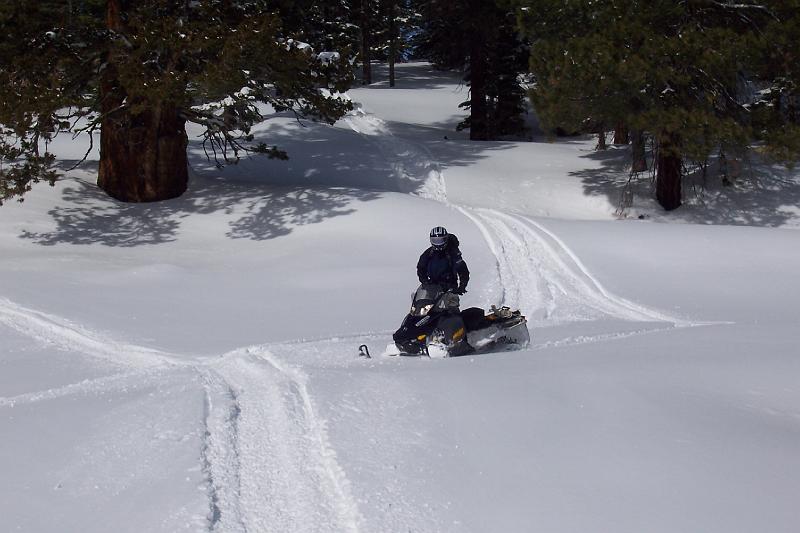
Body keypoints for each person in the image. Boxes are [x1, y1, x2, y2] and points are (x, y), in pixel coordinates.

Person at [417, 226, 469, 295]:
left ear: (446, 239)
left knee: (451, 303)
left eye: (440, 241)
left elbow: (462, 270)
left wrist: (462, 286)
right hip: (432, 287)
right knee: (423, 303)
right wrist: (425, 281)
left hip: (450, 288)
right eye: (435, 241)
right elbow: (421, 267)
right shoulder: (429, 253)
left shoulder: (453, 253)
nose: (438, 244)